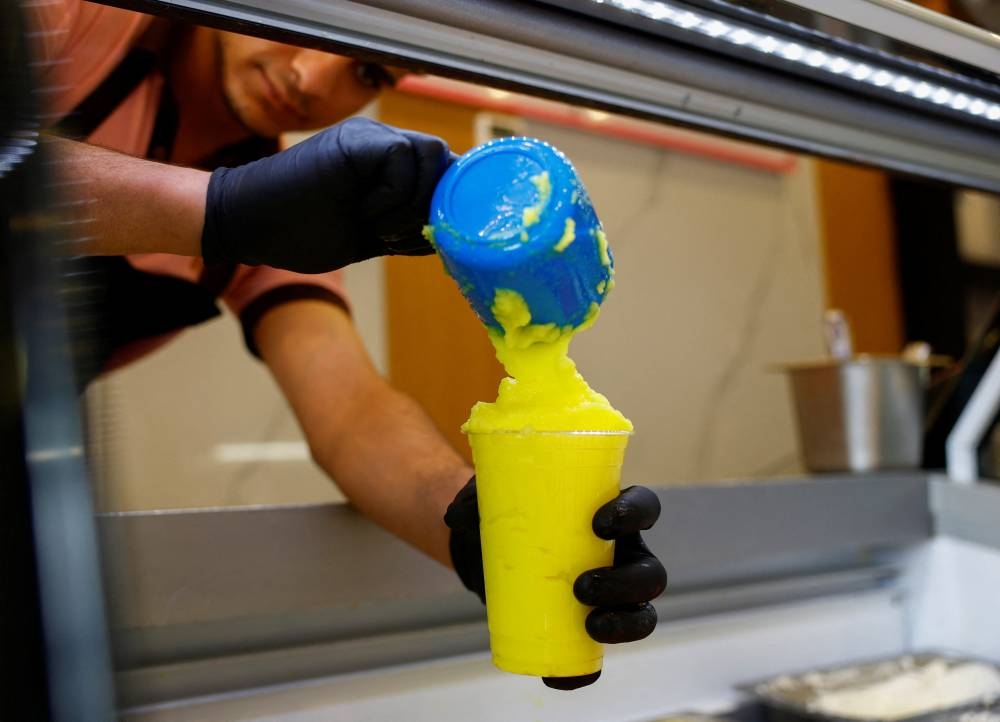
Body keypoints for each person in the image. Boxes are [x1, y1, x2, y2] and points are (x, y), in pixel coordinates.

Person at [27, 0, 667, 689]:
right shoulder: (77, 18)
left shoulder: (279, 214)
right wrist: (214, 209)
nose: (308, 75)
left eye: (363, 68)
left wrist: (473, 522)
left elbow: (350, 413)